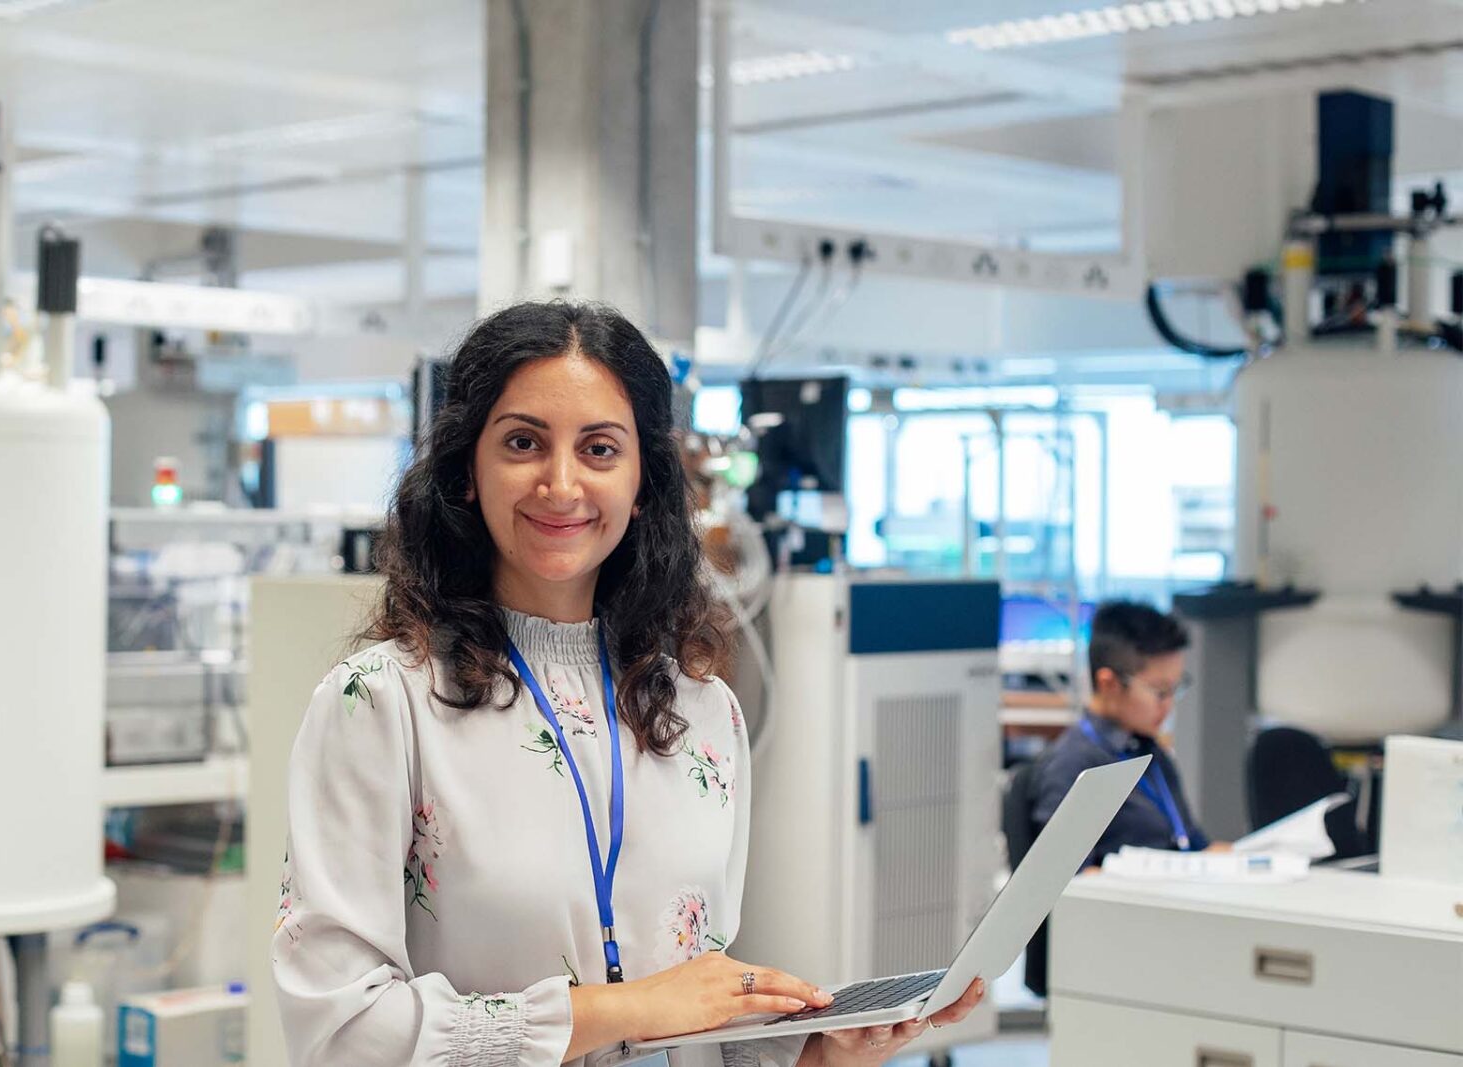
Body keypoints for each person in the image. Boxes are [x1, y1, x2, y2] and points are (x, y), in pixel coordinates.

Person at [270, 301, 984, 1067]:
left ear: (642, 482)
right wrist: (631, 1006)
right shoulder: (380, 704)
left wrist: (819, 1053)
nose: (562, 483)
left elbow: (689, 1029)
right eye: (522, 442)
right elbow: (340, 1033)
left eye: (600, 449)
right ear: (466, 473)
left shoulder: (702, 712)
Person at [1033, 600, 1216, 867]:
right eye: (1160, 691)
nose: (1168, 704)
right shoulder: (1074, 765)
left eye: (1176, 689)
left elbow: (1195, 845)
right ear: (1109, 684)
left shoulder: (1148, 750)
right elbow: (1067, 882)